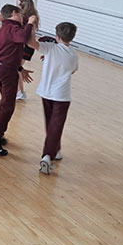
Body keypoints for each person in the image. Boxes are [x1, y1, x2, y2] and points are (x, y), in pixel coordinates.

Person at [0, 4, 36, 156]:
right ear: (14, 13)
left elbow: (9, 51)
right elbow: (23, 38)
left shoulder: (5, 27)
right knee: (7, 105)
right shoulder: (13, 28)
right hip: (7, 71)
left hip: (2, 67)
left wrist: (20, 69)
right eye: (20, 14)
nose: (22, 18)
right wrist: (30, 23)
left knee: (6, 103)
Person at [27, 22, 78, 175]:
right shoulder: (73, 54)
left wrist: (31, 26)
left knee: (50, 124)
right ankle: (47, 155)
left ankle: (56, 150)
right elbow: (72, 71)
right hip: (61, 95)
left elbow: (30, 42)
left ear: (57, 36)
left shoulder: (49, 48)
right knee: (56, 126)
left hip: (45, 92)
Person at [16, 0, 40, 101]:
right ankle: (20, 92)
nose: (16, 7)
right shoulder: (28, 17)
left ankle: (19, 92)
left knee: (16, 68)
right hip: (26, 47)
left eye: (18, 5)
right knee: (18, 68)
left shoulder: (29, 19)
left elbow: (28, 35)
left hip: (27, 47)